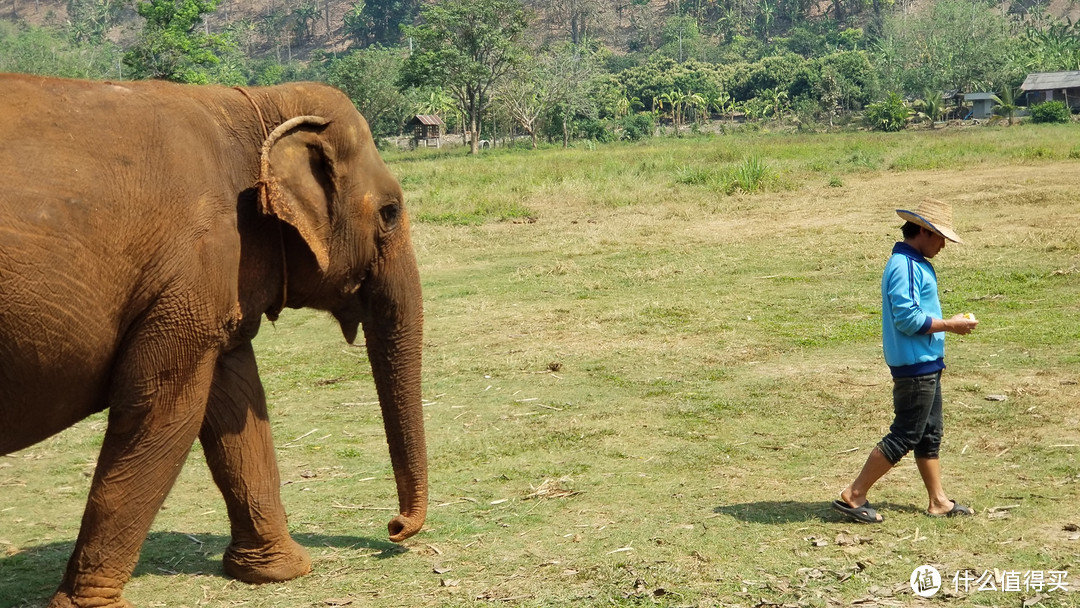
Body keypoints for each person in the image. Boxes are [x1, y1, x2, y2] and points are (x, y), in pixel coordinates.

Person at [832, 198, 978, 524]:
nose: (943, 244)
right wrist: (950, 325)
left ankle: (938, 501)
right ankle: (853, 495)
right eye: (940, 236)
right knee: (905, 434)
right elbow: (908, 319)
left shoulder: (915, 262)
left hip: (926, 362)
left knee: (929, 433)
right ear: (923, 231)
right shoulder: (905, 266)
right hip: (915, 367)